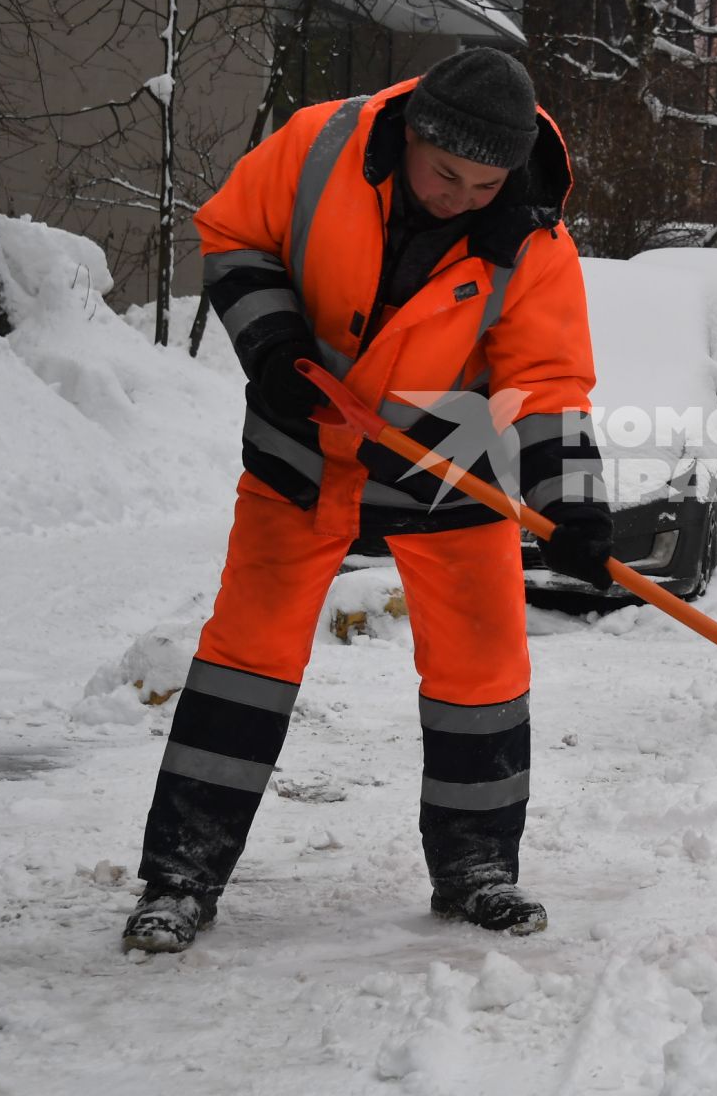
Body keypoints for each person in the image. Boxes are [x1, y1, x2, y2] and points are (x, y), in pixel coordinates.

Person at [121, 47, 614, 953]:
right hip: (303, 447)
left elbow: (546, 384)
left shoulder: (535, 240)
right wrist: (271, 346)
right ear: (412, 132)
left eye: (483, 183)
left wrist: (573, 505)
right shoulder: (319, 147)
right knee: (247, 654)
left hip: (447, 462)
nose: (460, 196)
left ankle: (476, 868)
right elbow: (233, 233)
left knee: (483, 664)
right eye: (445, 173)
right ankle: (181, 874)